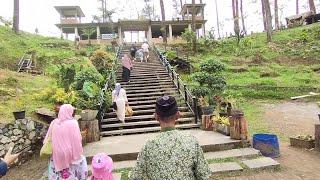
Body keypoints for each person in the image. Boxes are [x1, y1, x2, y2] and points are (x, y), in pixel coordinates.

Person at [130, 96, 212, 180]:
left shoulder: (148, 146)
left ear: (156, 117)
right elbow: (203, 174)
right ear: (178, 115)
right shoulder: (191, 141)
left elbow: (136, 176)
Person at [45, 104, 88, 180]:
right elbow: (78, 140)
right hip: (71, 156)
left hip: (57, 156)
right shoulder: (73, 123)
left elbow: (47, 139)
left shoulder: (54, 122)